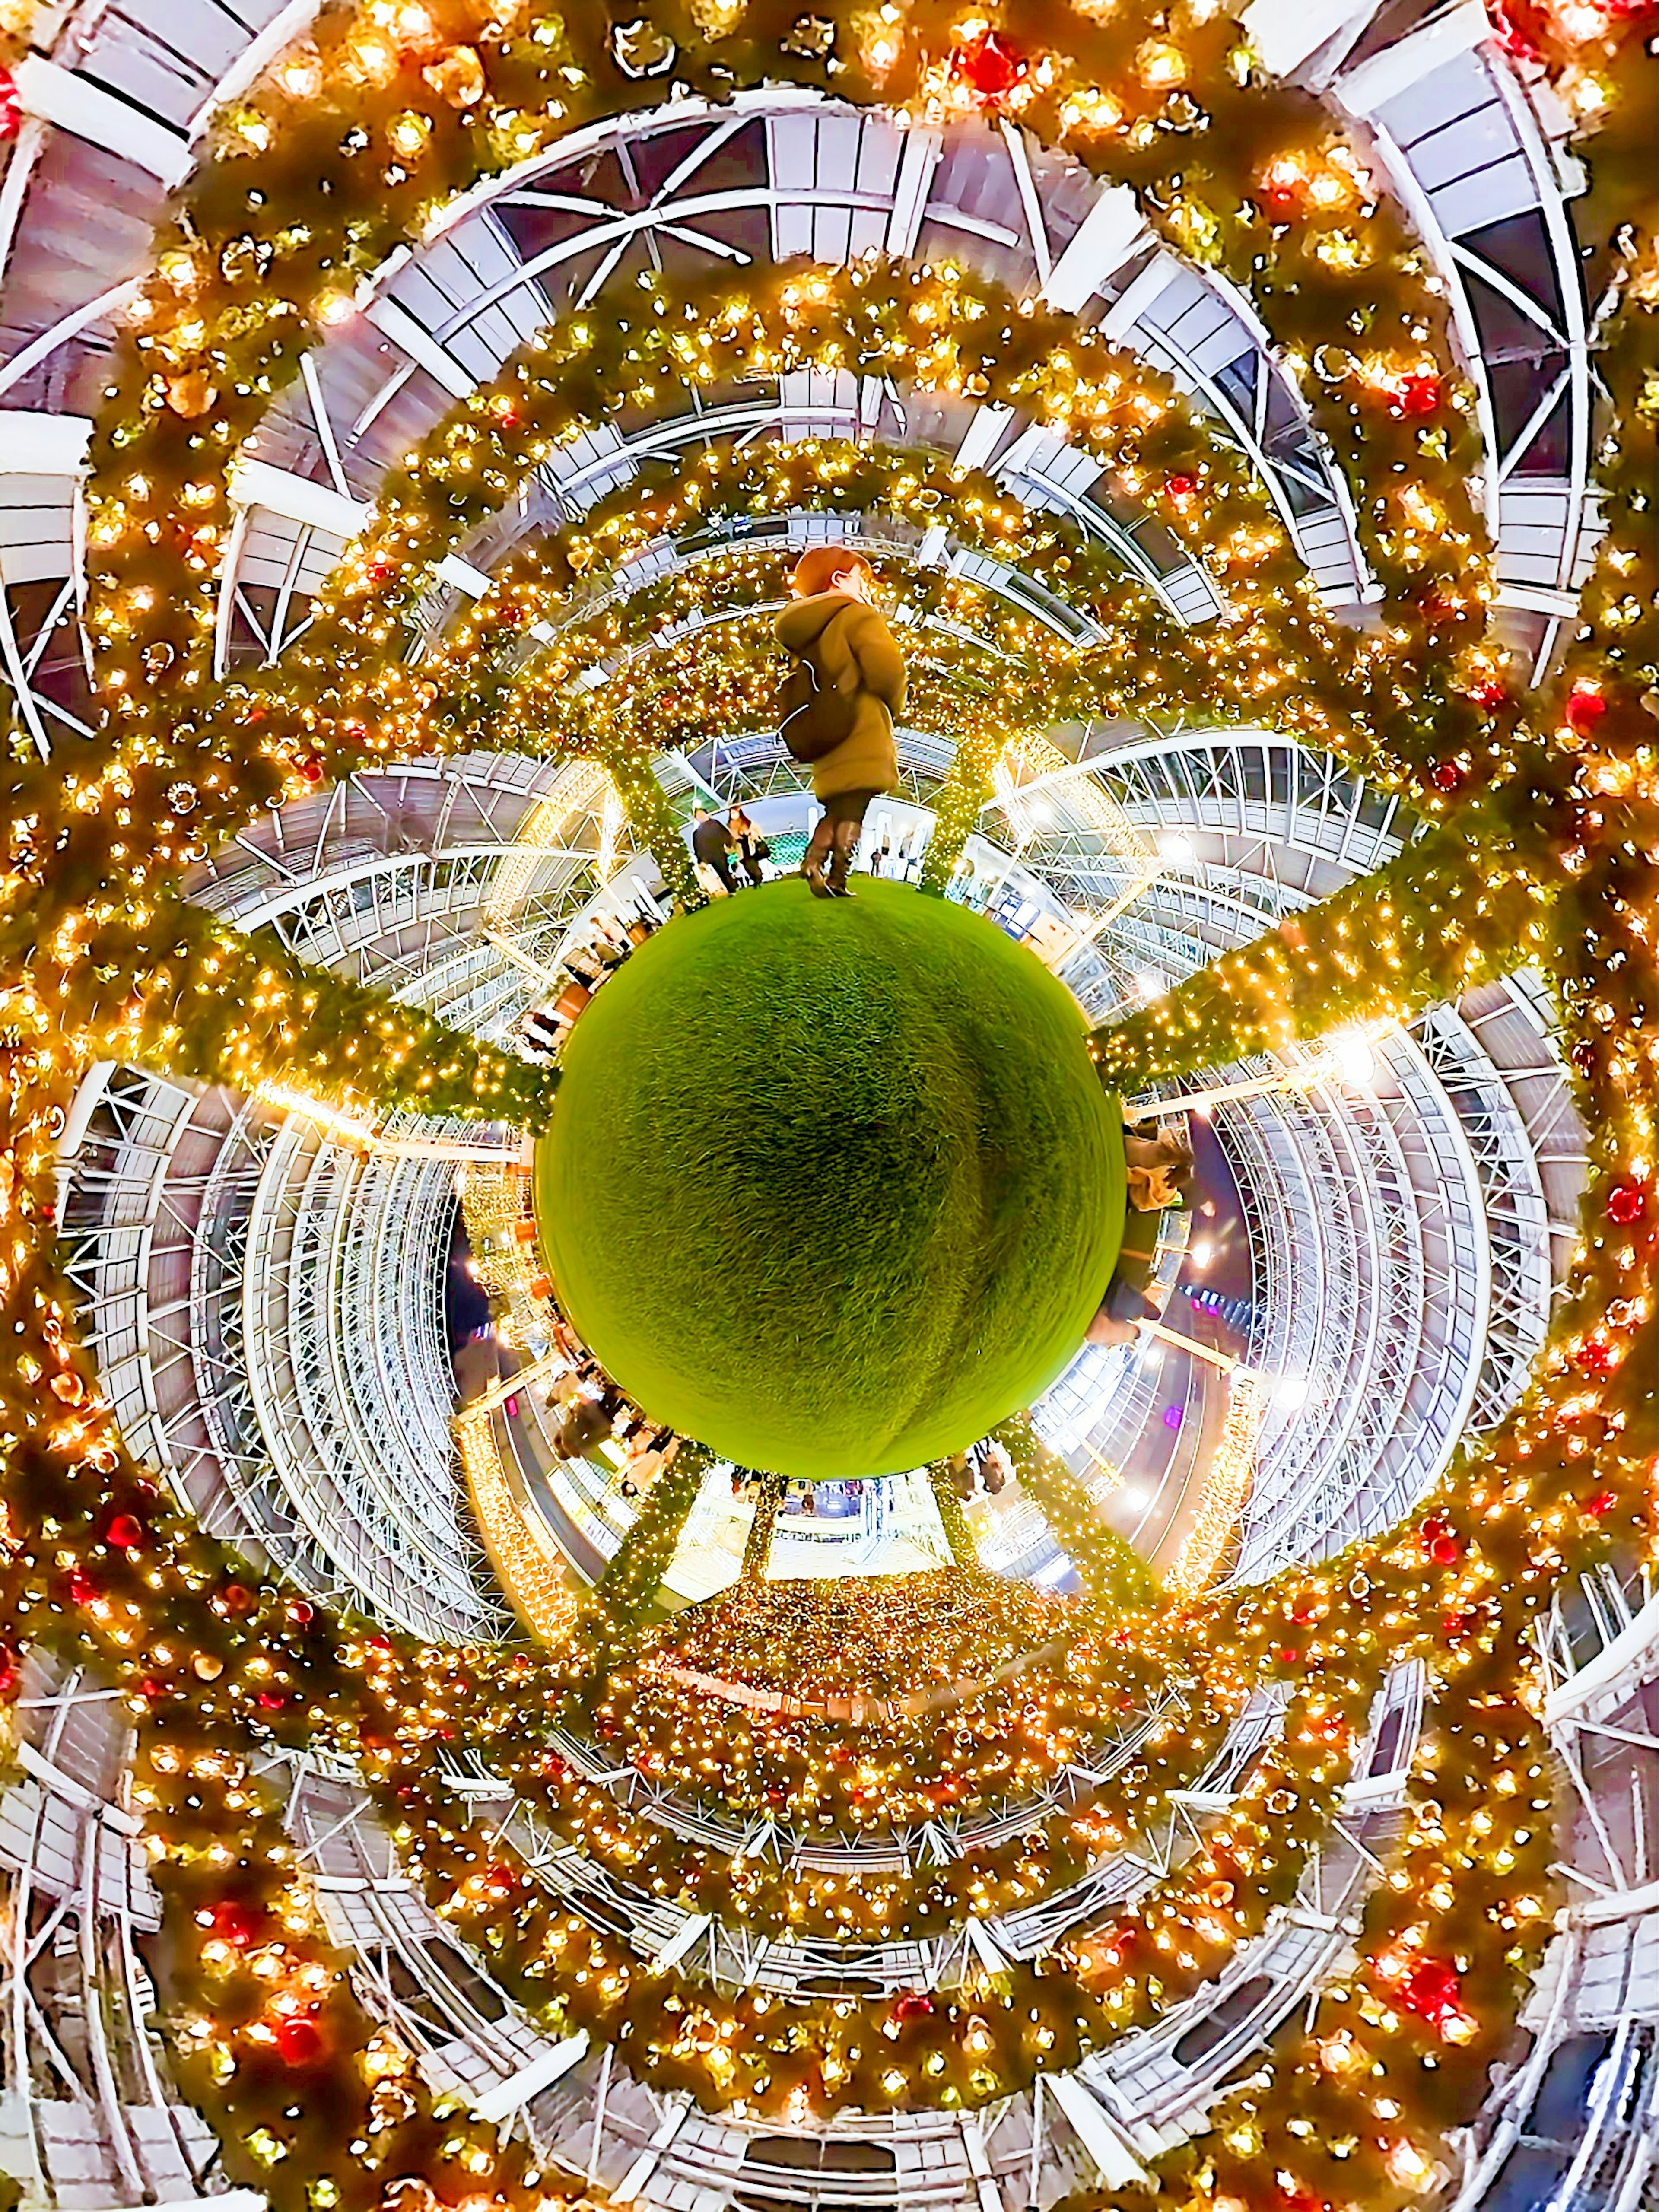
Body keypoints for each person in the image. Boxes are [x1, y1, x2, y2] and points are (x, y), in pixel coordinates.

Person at [775, 545, 905, 898]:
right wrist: (894, 707)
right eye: (860, 578)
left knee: (835, 811)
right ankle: (837, 878)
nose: (866, 587)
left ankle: (813, 864)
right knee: (853, 814)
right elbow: (887, 672)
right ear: (839, 579)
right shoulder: (858, 617)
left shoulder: (807, 635)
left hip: (828, 739)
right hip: (862, 733)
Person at [691, 807, 739, 894]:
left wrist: (729, 845)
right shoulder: (696, 833)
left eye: (702, 814)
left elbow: (725, 834)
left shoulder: (715, 824)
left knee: (724, 870)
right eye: (698, 816)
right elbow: (697, 848)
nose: (701, 817)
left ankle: (733, 887)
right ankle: (731, 888)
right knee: (721, 872)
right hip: (710, 856)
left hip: (720, 852)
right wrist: (701, 861)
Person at [729, 804, 769, 886]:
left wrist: (753, 835)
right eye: (731, 813)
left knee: (752, 865)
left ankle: (758, 879)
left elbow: (758, 831)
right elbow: (731, 840)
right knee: (748, 867)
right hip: (741, 850)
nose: (733, 815)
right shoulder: (731, 826)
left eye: (734, 812)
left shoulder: (748, 823)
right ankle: (757, 880)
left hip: (751, 848)